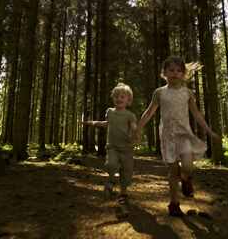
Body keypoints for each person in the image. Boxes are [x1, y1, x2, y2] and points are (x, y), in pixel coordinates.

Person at [135, 56, 220, 217]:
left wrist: (209, 131)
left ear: (183, 74)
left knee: (187, 165)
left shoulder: (187, 93)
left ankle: (186, 178)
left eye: (179, 71)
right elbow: (149, 112)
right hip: (167, 135)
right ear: (164, 73)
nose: (175, 73)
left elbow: (197, 114)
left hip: (184, 134)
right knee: (172, 171)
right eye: (171, 70)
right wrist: (139, 128)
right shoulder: (159, 93)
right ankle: (174, 204)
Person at [83, 83, 138, 203]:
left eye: (122, 97)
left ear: (128, 100)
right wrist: (91, 123)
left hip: (127, 148)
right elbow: (106, 123)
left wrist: (134, 133)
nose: (119, 99)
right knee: (111, 165)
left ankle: (123, 194)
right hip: (112, 146)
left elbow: (134, 127)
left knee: (126, 172)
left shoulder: (130, 115)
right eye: (116, 96)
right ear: (113, 98)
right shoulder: (110, 112)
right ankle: (111, 180)